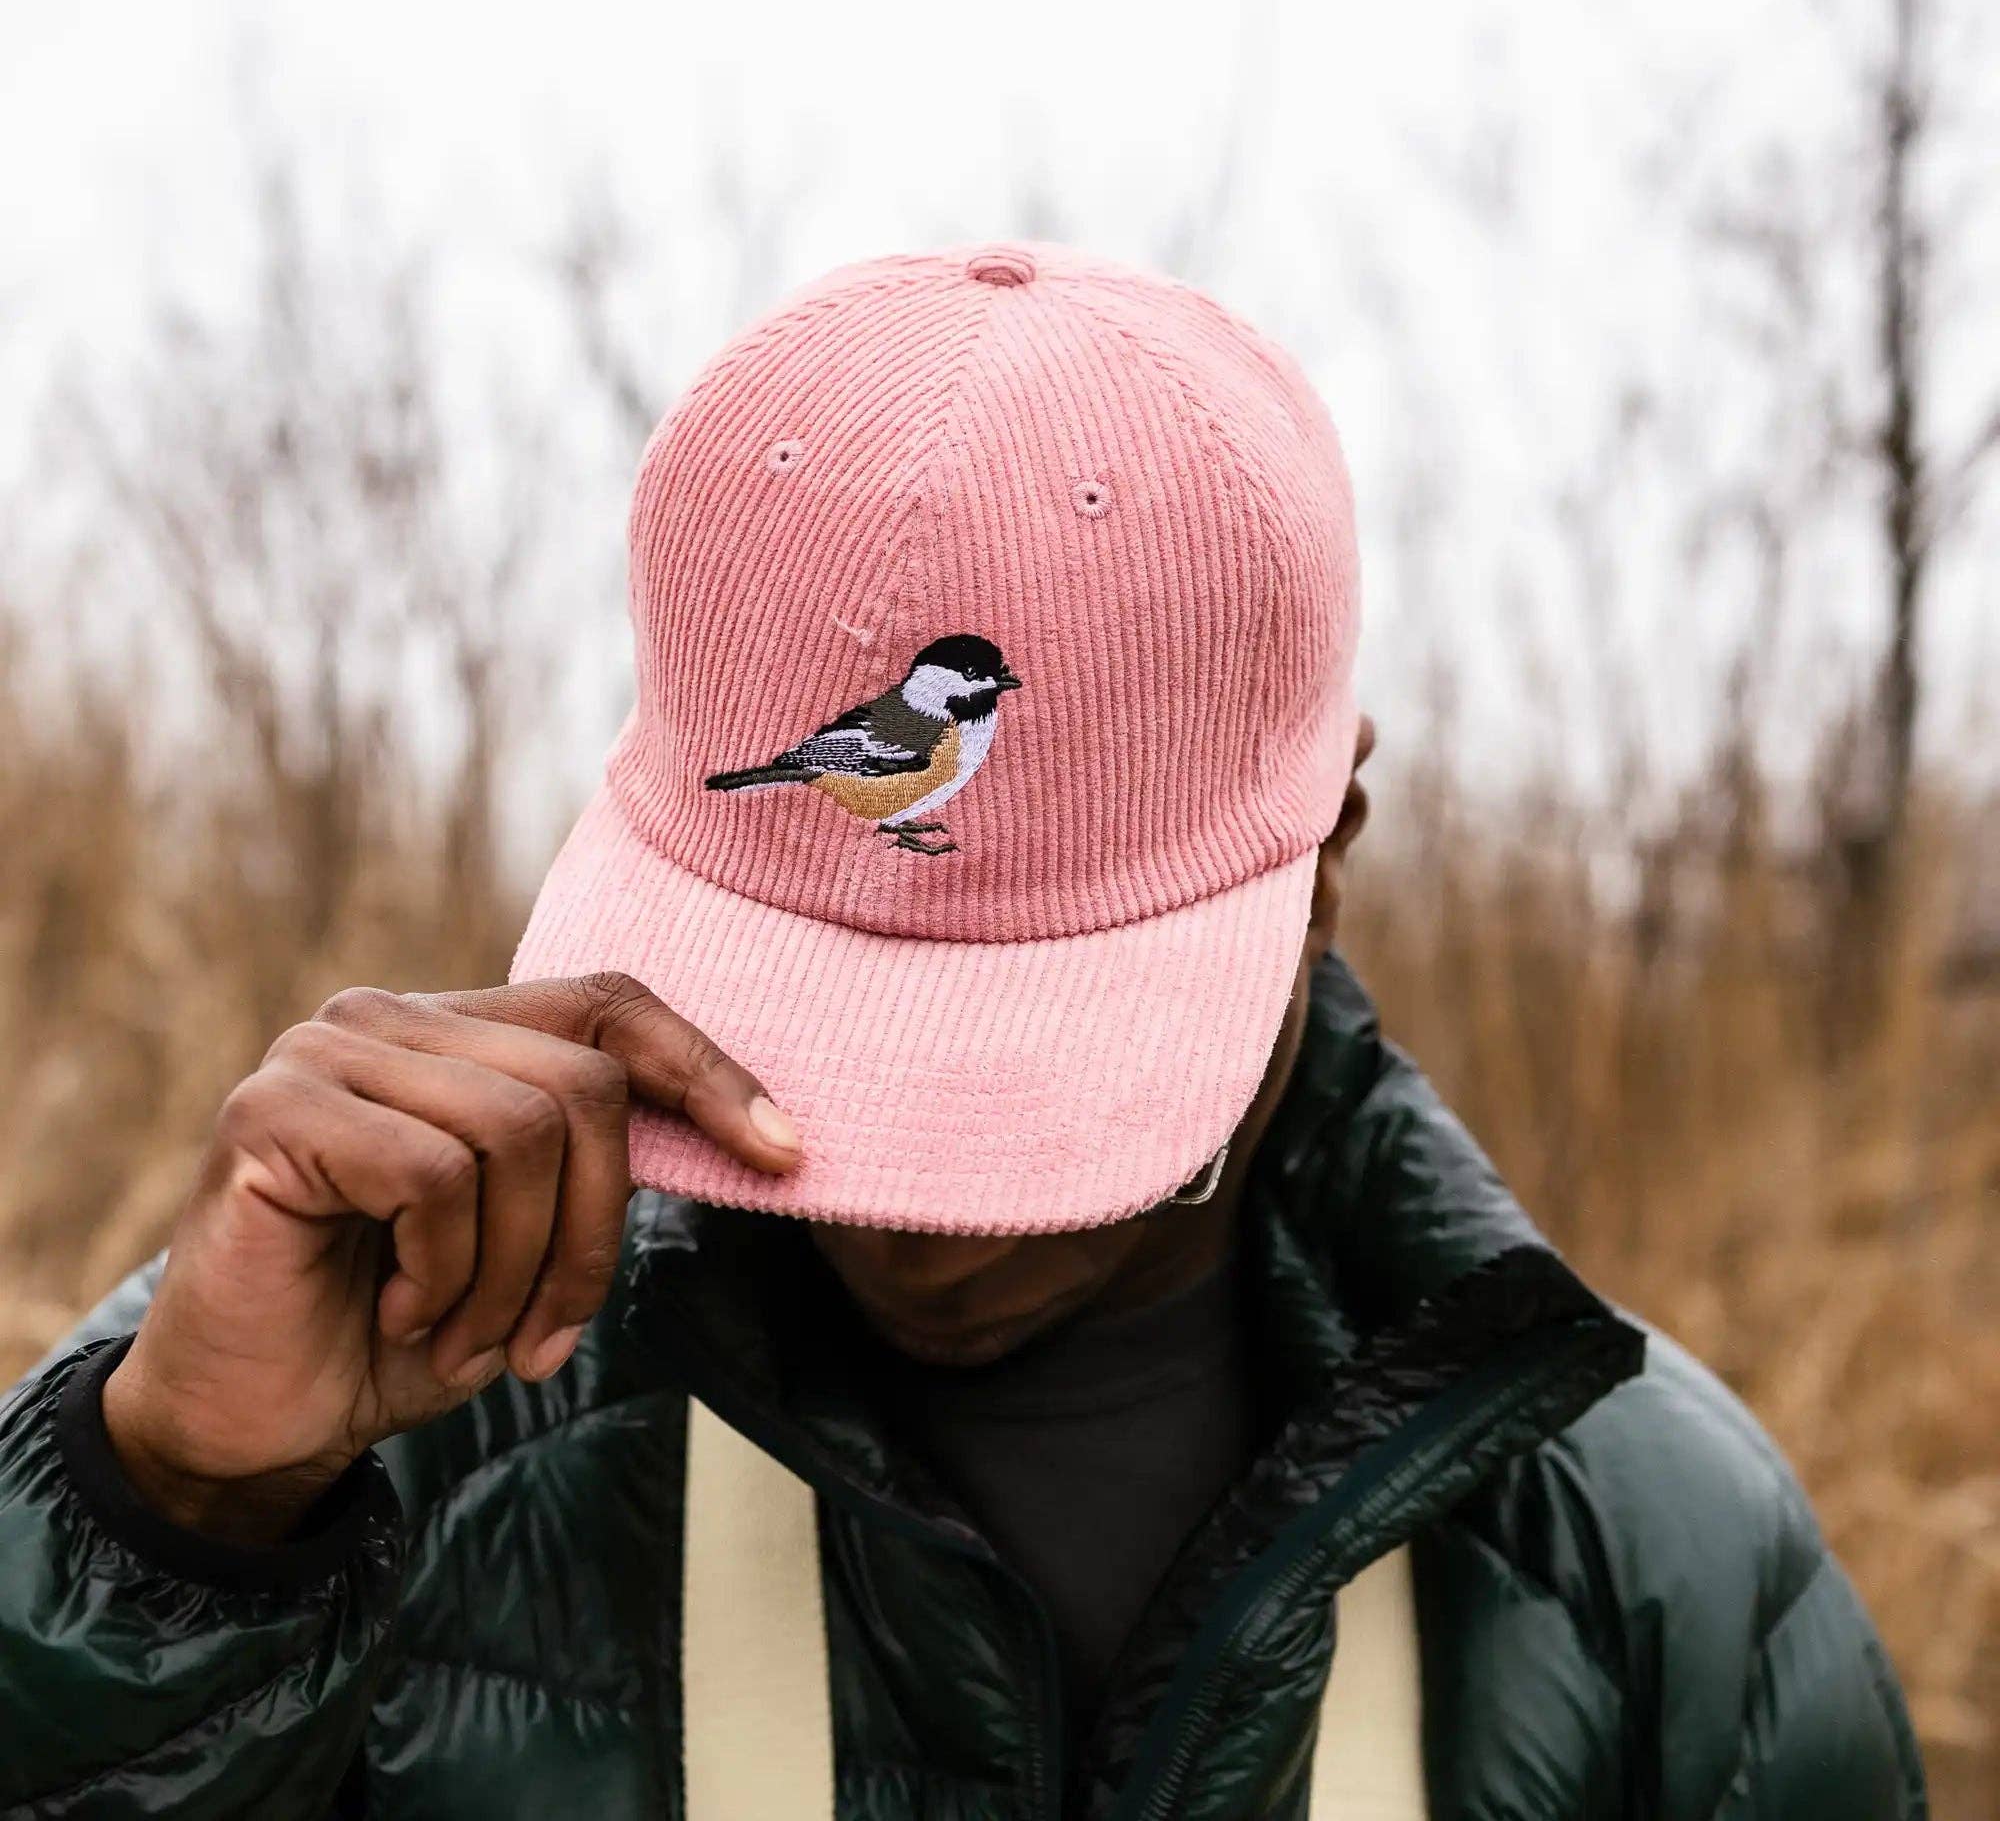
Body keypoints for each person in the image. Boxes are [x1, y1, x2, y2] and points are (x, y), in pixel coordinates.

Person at [0, 244, 1924, 1819]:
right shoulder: (365, 1410)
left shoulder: (1651, 1560)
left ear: (1329, 849)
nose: (905, 1217)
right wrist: (170, 1528)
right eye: (797, 1021)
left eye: (1040, 1068)